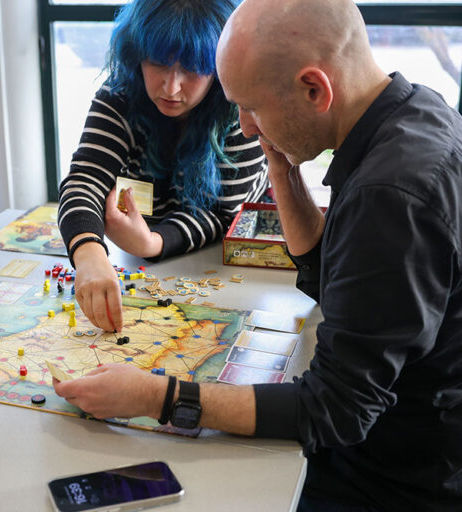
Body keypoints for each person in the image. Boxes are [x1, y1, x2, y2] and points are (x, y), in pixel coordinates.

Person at [54, 0, 462, 509]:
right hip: (395, 435)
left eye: (250, 107)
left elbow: (333, 411)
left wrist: (156, 396)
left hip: (395, 477)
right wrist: (282, 170)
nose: (245, 127)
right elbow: (331, 278)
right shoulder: (413, 112)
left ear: (314, 90)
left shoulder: (391, 195)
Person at [57, 0, 268, 333]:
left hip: (232, 268)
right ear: (136, 54)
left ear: (221, 65)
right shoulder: (118, 97)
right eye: (157, 63)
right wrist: (88, 253)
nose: (171, 88)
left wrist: (152, 243)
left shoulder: (240, 110)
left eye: (192, 69)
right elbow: (85, 179)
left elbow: (224, 215)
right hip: (149, 268)